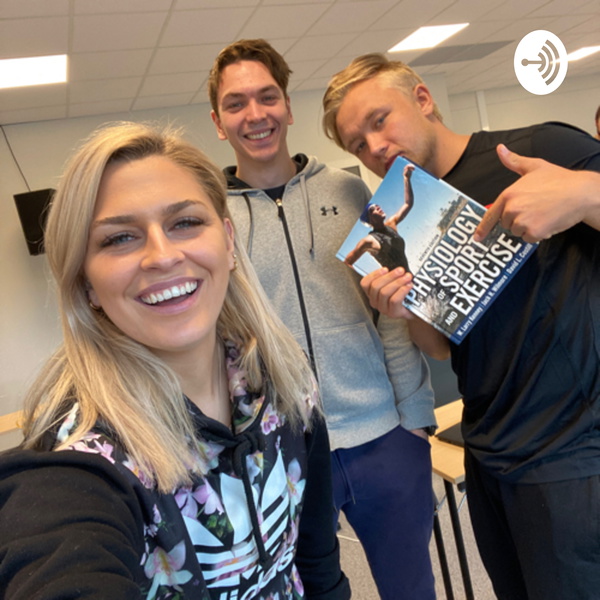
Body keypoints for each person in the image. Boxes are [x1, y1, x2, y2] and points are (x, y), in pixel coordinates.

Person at [0, 122, 351, 600]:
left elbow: (316, 554)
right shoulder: (80, 463)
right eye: (119, 238)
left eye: (185, 222)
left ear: (228, 241)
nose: (162, 256)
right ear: (86, 284)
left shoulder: (286, 378)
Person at [322, 52, 600, 600]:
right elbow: (441, 348)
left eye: (380, 120)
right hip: (489, 453)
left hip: (573, 452)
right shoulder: (411, 223)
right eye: (357, 144)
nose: (375, 147)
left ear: (423, 99)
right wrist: (402, 311)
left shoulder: (540, 147)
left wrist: (586, 193)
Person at [208, 40, 437, 600]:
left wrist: (414, 419)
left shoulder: (348, 188)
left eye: (267, 97)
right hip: (282, 452)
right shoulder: (212, 215)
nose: (255, 114)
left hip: (384, 436)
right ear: (218, 122)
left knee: (412, 590)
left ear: (288, 106)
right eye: (236, 103)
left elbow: (390, 311)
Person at [344, 163, 415, 271]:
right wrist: (360, 280)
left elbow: (408, 204)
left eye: (377, 206)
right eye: (373, 209)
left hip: (410, 276)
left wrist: (406, 178)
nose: (378, 207)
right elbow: (347, 262)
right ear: (370, 219)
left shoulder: (391, 224)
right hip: (395, 279)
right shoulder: (368, 241)